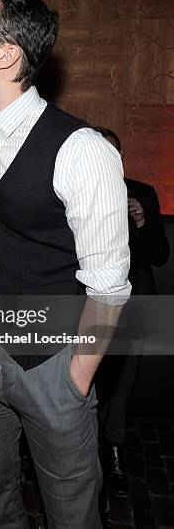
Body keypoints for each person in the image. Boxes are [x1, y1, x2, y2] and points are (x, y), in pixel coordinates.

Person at [0, 0, 131, 529]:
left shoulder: (84, 151)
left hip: (51, 363)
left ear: (5, 55)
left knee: (72, 513)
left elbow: (109, 287)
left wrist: (76, 378)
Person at [93, 126, 169, 497]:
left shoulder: (141, 193)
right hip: (89, 297)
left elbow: (159, 257)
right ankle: (81, 445)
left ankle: (114, 446)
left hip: (136, 296)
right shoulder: (78, 191)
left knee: (122, 375)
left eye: (112, 154)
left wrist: (141, 222)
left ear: (120, 159)